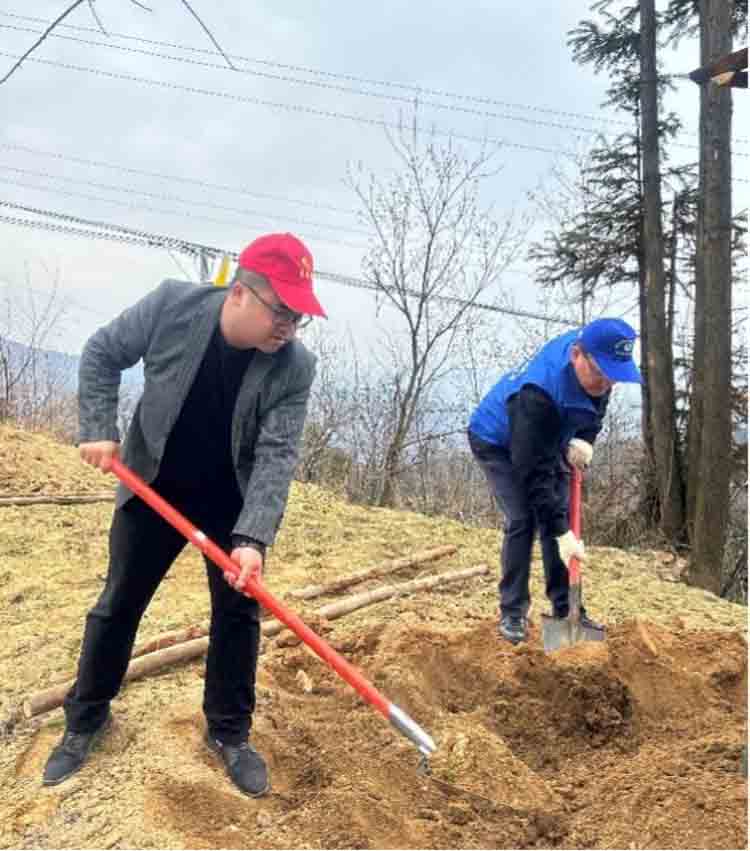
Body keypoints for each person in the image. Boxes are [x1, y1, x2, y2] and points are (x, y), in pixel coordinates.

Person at [42, 233, 326, 796]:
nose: (289, 325)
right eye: (282, 310)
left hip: (231, 499)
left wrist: (253, 537)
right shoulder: (172, 305)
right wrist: (99, 427)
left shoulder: (294, 367)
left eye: (299, 316)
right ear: (241, 293)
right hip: (155, 485)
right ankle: (86, 717)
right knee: (119, 602)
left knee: (239, 613)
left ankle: (229, 733)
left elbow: (276, 454)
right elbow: (102, 352)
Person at [468, 318, 642, 645]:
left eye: (613, 378)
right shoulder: (536, 395)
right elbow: (533, 474)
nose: (607, 385)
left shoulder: (595, 367)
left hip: (548, 436)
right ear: (577, 354)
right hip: (499, 441)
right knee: (525, 517)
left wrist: (585, 439)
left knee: (558, 517)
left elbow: (596, 405)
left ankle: (567, 610)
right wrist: (560, 531)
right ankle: (512, 612)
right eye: (601, 375)